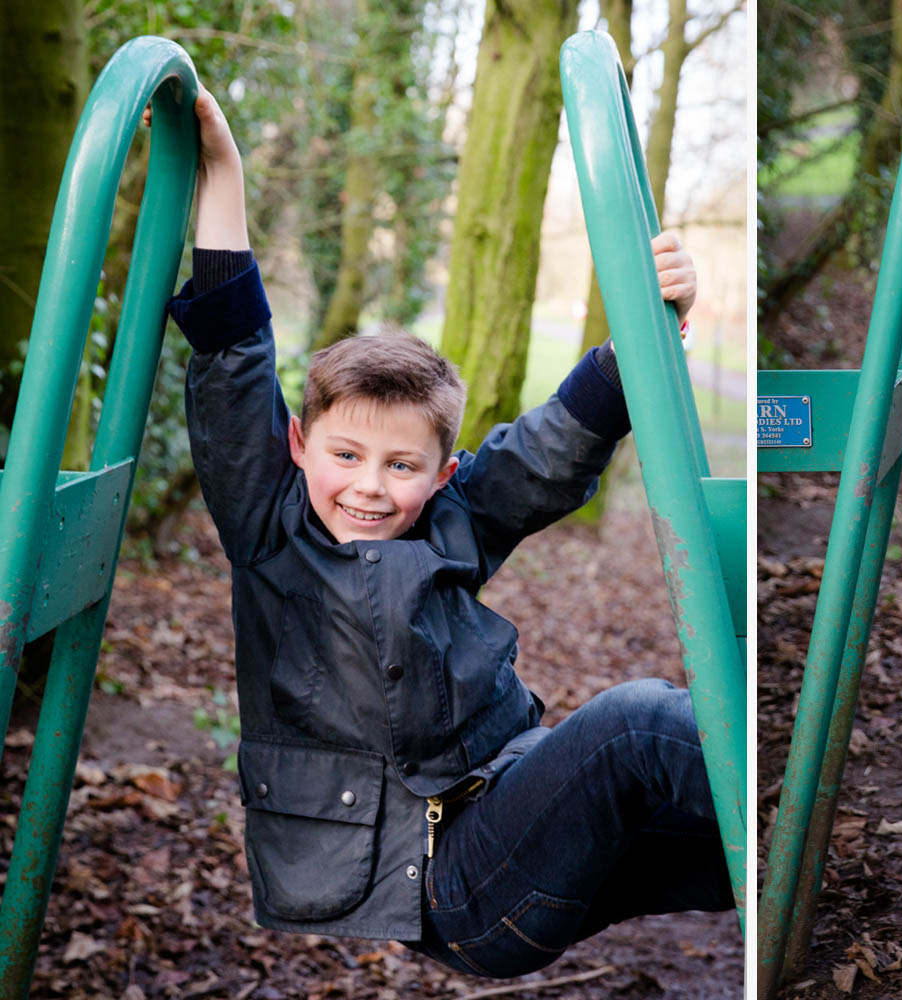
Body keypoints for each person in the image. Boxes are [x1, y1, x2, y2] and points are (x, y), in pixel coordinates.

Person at [163, 87, 733, 979]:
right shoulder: (274, 536)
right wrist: (223, 168)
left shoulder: (448, 520)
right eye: (346, 454)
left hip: (509, 812)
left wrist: (642, 338)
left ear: (439, 472)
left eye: (401, 466)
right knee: (636, 729)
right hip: (451, 888)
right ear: (301, 444)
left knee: (736, 846)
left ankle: (804, 856)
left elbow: (545, 451)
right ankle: (794, 771)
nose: (368, 486)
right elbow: (235, 361)